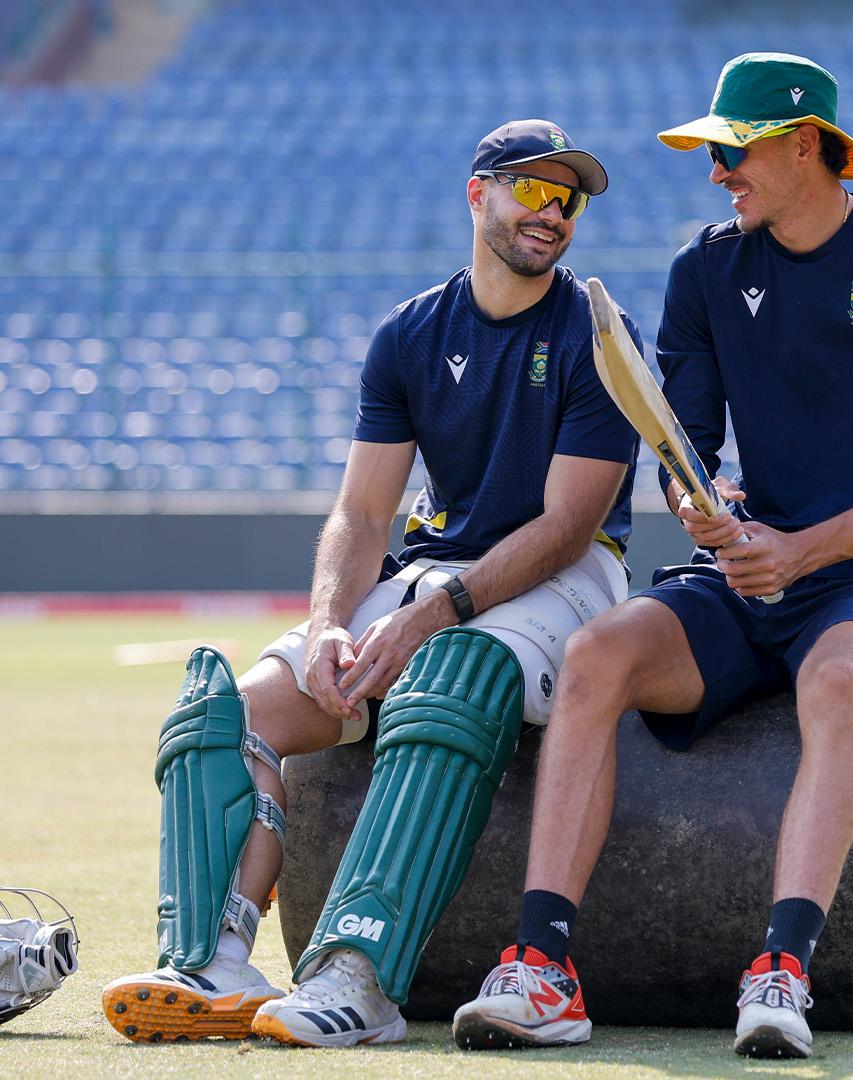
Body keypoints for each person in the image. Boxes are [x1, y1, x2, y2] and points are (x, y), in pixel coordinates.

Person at [451, 53, 853, 1059]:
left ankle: (782, 972)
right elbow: (682, 444)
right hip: (740, 578)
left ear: (805, 146)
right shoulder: (703, 270)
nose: (717, 172)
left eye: (734, 151)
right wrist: (702, 504)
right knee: (598, 654)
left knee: (835, 682)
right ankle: (542, 967)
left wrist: (801, 551)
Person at [100, 120, 640, 1047]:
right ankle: (210, 961)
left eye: (569, 199)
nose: (552, 212)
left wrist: (431, 616)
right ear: (477, 194)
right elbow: (360, 512)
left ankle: (359, 977)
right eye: (531, 188)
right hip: (437, 567)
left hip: (569, 575)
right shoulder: (409, 333)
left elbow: (565, 526)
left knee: (450, 681)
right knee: (227, 711)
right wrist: (327, 624)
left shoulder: (598, 334)